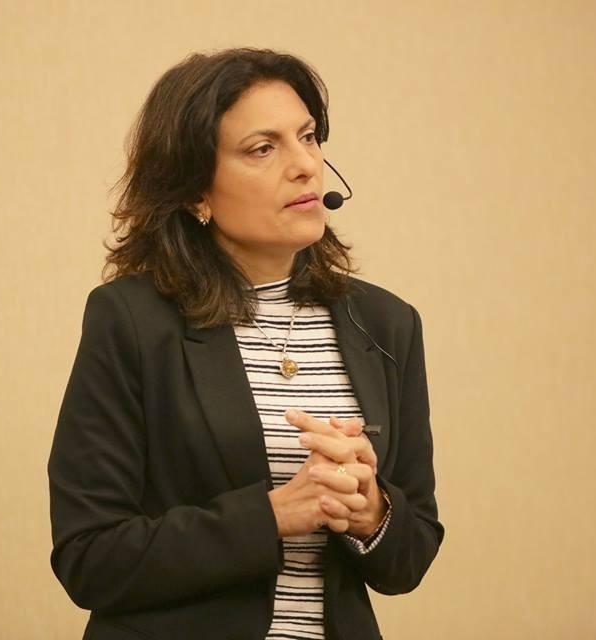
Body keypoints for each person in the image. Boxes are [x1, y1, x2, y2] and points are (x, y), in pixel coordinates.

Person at [47, 47, 445, 640]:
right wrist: (272, 516)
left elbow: (410, 557)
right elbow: (90, 557)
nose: (305, 166)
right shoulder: (131, 321)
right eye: (263, 149)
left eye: (308, 137)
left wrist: (371, 512)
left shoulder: (387, 323)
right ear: (195, 192)